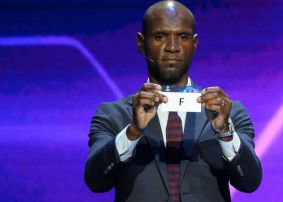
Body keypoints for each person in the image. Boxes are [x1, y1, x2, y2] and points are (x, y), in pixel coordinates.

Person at [84, 1, 262, 201]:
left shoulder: (228, 112)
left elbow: (250, 182)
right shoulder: (112, 115)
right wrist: (133, 132)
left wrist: (225, 133)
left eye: (183, 37)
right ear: (141, 43)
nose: (172, 47)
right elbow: (95, 181)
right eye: (160, 36)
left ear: (194, 44)